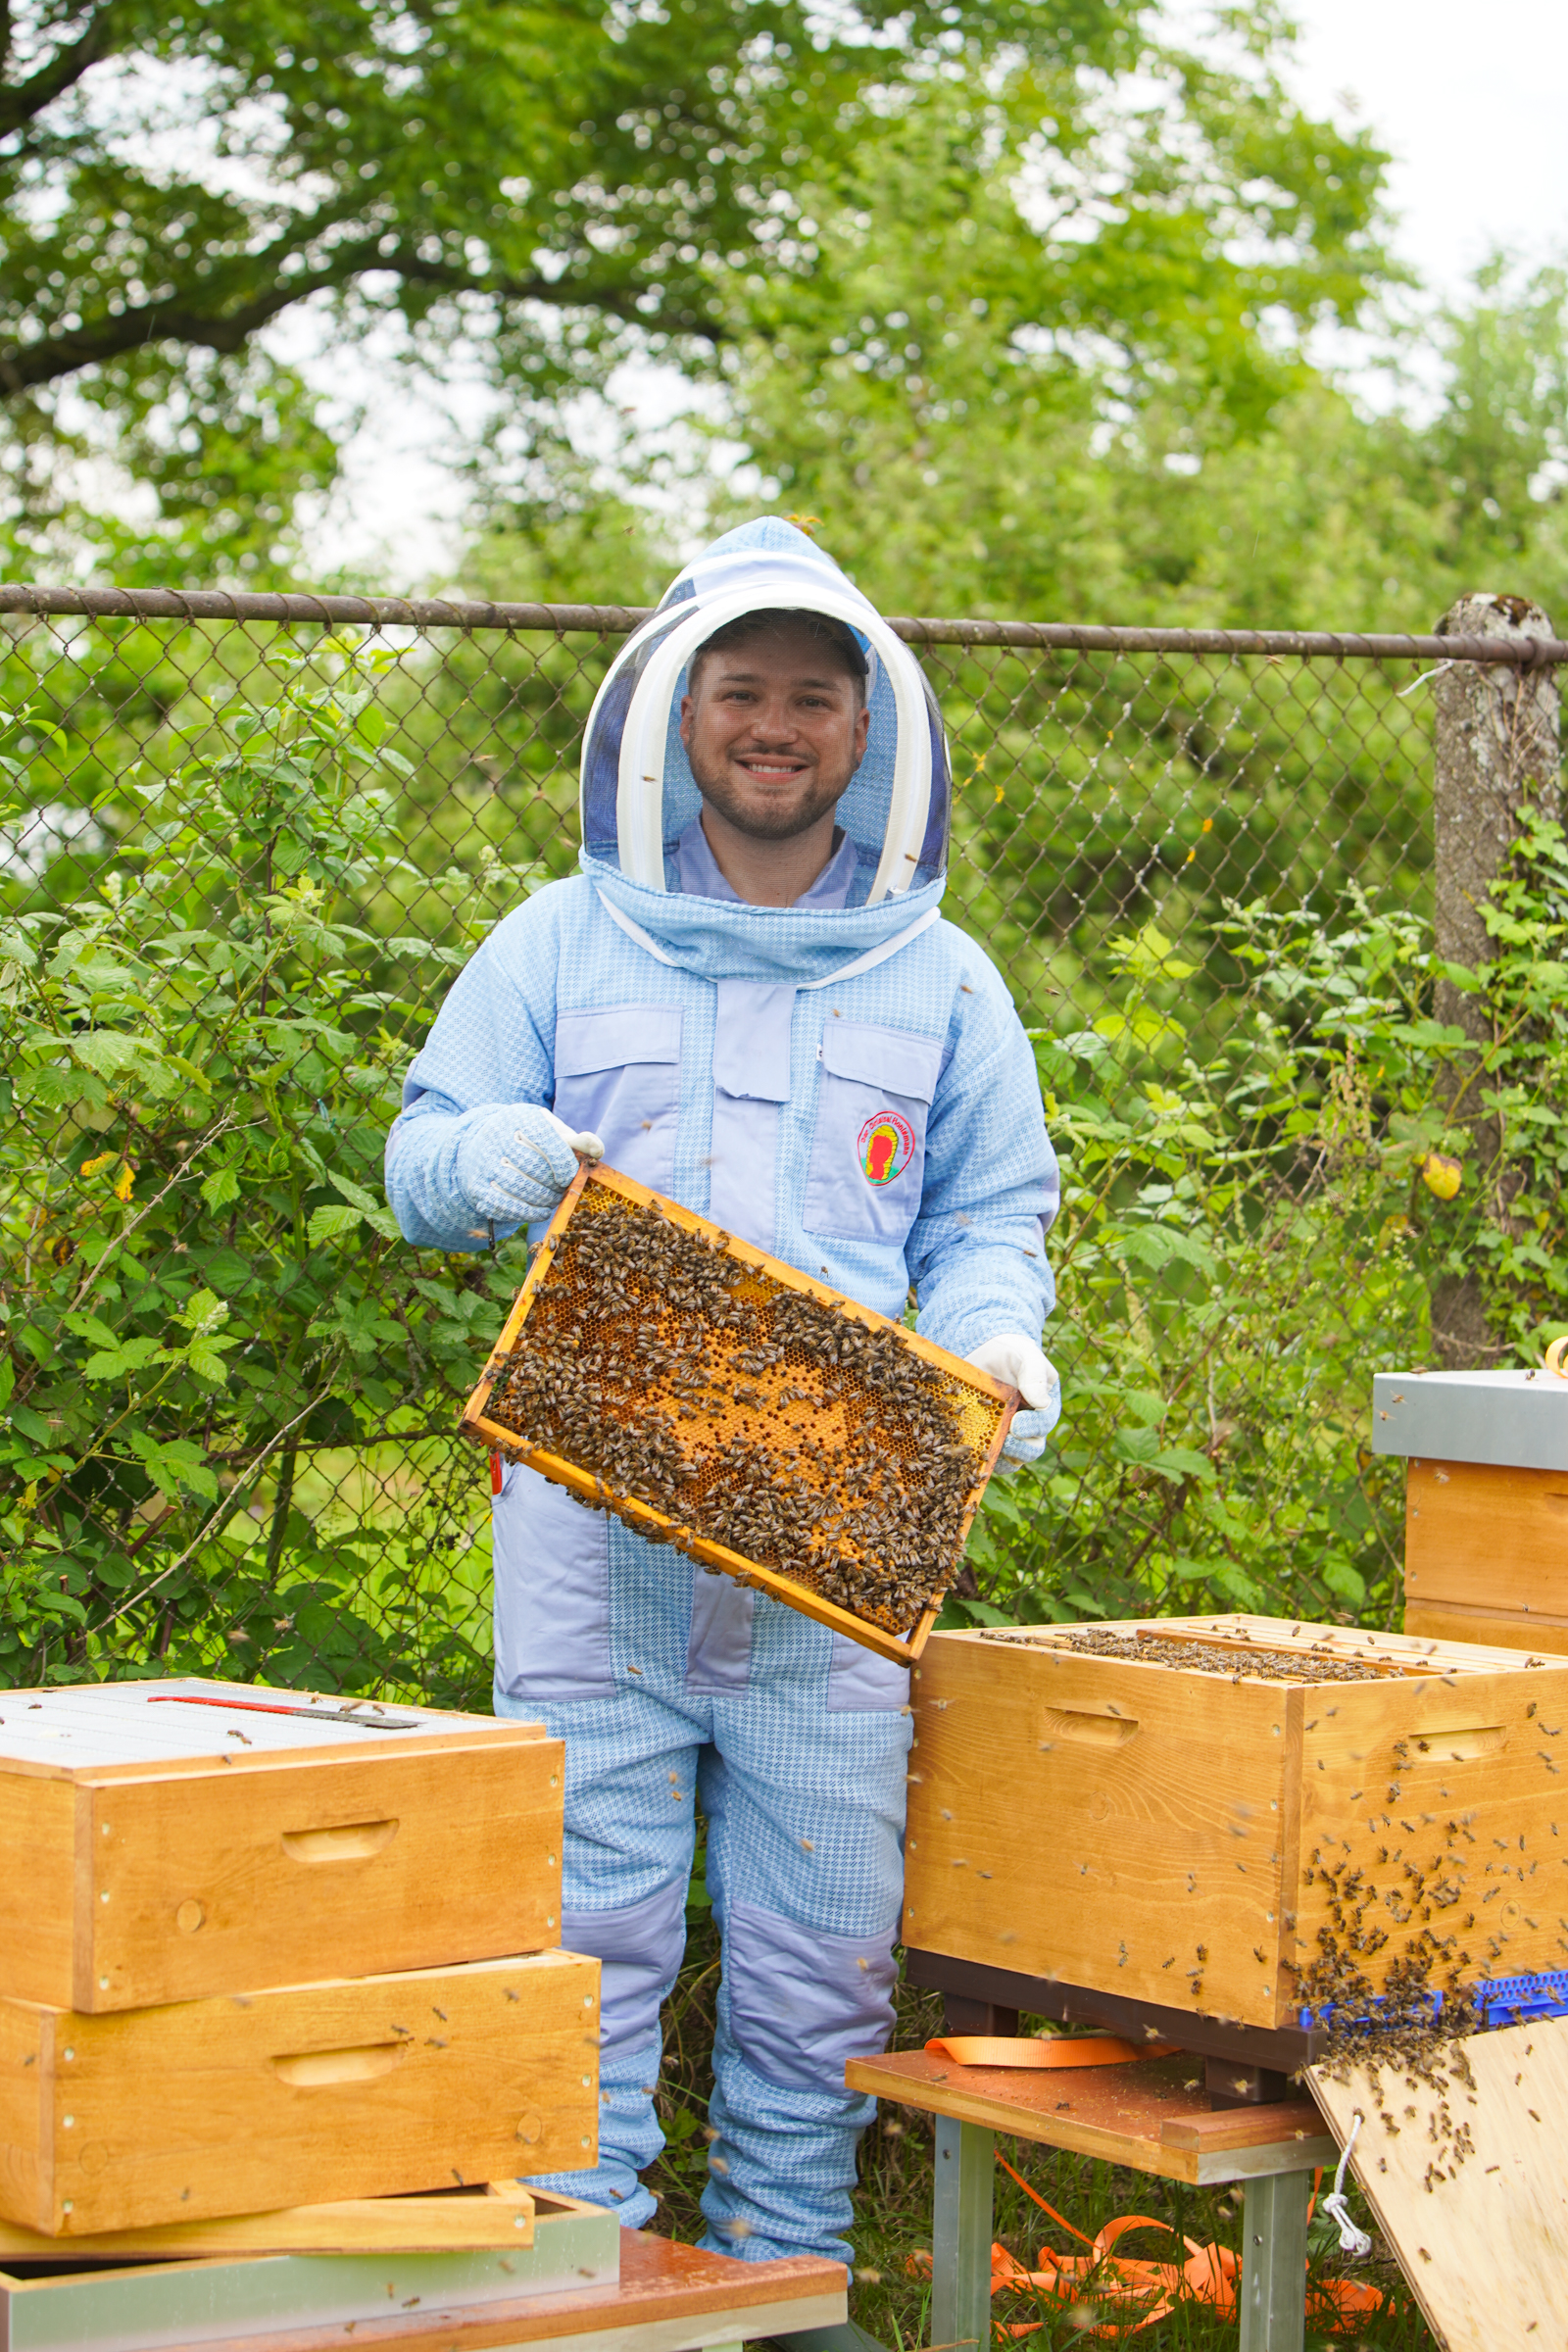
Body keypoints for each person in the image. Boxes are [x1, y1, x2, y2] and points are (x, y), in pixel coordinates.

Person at [385, 518, 1059, 2350]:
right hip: (589, 1538)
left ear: (869, 730)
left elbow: (989, 1218)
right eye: (742, 692)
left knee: (824, 1934)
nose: (775, 726)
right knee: (584, 1920)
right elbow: (421, 1152)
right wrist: (484, 1158)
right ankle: (586, 2278)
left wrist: (996, 1344)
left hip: (834, 1545)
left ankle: (786, 2283)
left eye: (812, 700)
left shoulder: (946, 980)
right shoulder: (555, 940)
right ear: (675, 715)